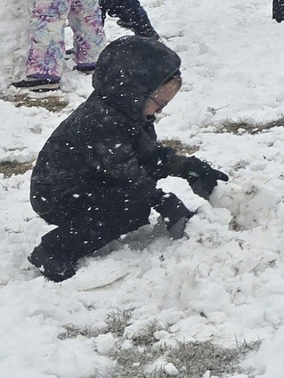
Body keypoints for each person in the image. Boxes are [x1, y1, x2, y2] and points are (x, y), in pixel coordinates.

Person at [27, 36, 229, 282]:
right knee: (129, 208)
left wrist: (189, 168)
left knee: (134, 198)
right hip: (59, 196)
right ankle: (54, 252)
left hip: (92, 182)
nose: (159, 110)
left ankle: (87, 227)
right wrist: (161, 200)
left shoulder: (125, 112)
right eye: (158, 102)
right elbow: (129, 175)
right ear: (134, 91)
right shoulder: (101, 122)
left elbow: (148, 156)